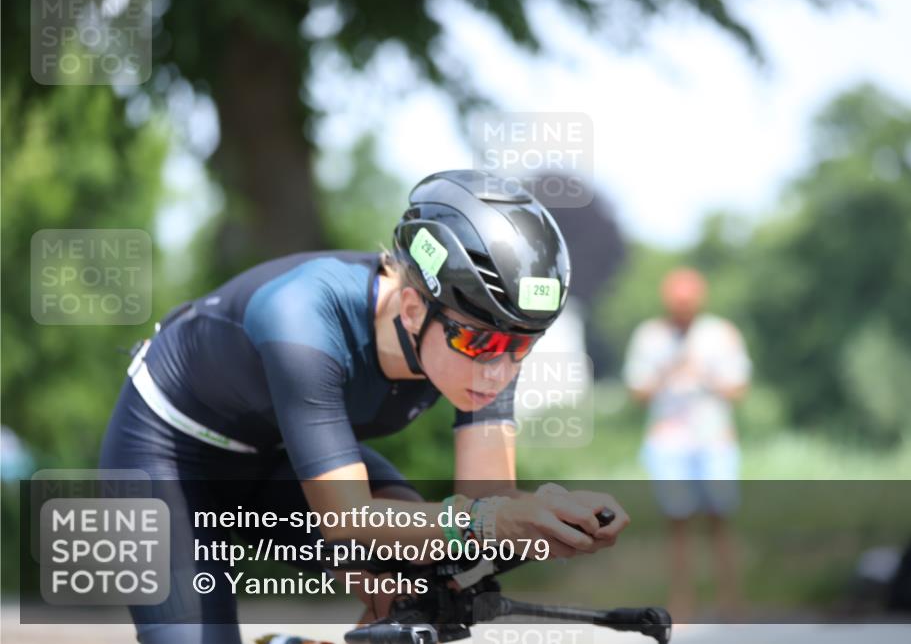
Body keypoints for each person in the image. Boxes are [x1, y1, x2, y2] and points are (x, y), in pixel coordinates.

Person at [99, 169, 630, 644]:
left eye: (521, 347)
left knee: (433, 576)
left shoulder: (488, 341)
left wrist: (543, 525)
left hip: (279, 452)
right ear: (412, 306)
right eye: (481, 344)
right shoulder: (301, 317)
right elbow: (347, 522)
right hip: (168, 453)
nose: (500, 369)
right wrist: (501, 519)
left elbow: (483, 519)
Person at [622, 267, 750, 622]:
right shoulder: (649, 336)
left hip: (714, 440)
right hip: (669, 442)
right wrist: (668, 370)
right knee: (677, 523)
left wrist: (705, 374)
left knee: (720, 520)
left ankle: (730, 600)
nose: (683, 309)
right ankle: (682, 603)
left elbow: (739, 389)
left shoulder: (721, 333)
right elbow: (637, 391)